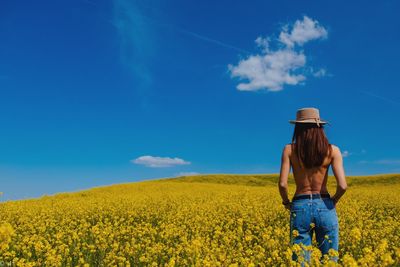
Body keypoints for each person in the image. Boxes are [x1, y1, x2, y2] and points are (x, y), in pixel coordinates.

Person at [278, 107, 348, 265]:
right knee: (330, 260)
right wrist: (334, 200)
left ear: (297, 127)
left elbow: (282, 184)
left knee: (301, 260)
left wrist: (286, 202)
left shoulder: (289, 150)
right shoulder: (333, 150)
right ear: (320, 127)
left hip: (300, 205)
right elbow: (343, 186)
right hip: (325, 204)